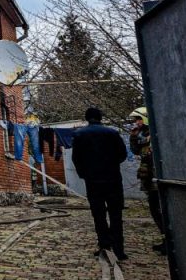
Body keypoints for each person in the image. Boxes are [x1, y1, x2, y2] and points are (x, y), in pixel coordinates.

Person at [72, 107, 128, 260]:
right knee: (116, 214)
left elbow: (76, 158)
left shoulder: (79, 135)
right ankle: (119, 249)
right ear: (100, 118)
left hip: (93, 181)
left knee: (99, 215)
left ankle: (104, 245)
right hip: (113, 180)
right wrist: (111, 165)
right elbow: (122, 155)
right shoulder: (113, 133)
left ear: (87, 118)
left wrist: (84, 174)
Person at [128, 107, 165, 255]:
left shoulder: (155, 135)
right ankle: (164, 238)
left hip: (157, 177)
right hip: (148, 177)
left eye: (138, 119)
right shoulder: (141, 136)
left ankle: (168, 240)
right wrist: (133, 136)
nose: (136, 123)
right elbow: (136, 150)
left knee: (160, 209)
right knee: (155, 209)